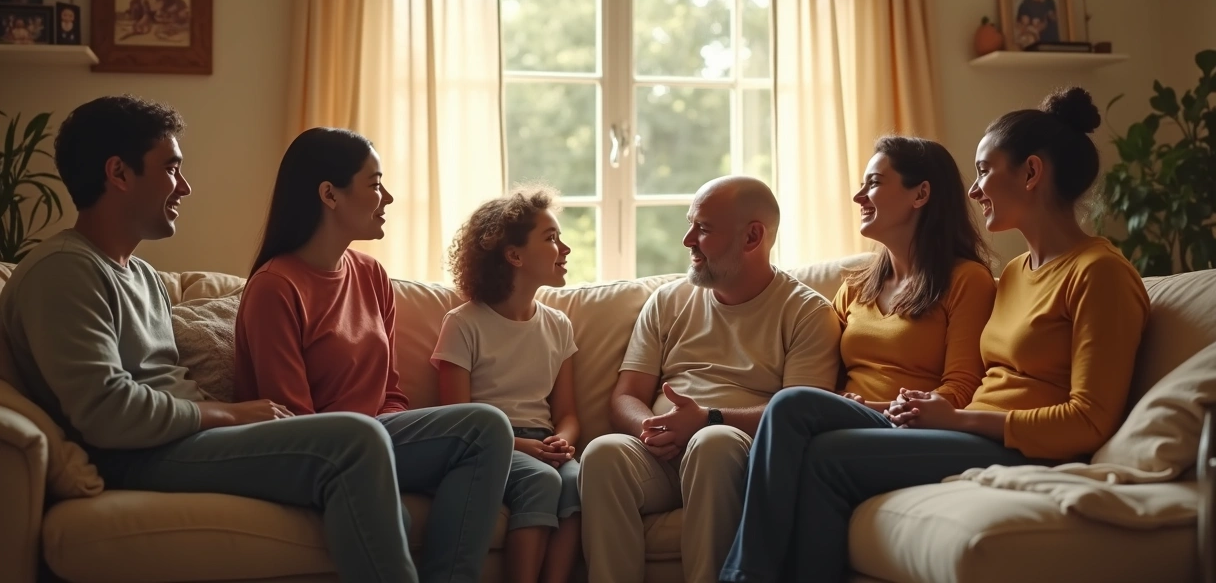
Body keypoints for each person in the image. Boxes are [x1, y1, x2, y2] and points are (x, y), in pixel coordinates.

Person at [720, 87, 1152, 583]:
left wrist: (962, 420)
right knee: (801, 419)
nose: (974, 190)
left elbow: (1090, 421)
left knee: (813, 438)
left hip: (1020, 447)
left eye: (986, 170)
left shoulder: (1100, 273)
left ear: (1032, 173)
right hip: (970, 430)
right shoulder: (1013, 273)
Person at [0, 95, 424, 582]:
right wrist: (230, 413)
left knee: (419, 443)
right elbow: (106, 413)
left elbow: (164, 384)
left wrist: (225, 421)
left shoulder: (139, 274)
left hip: (181, 442)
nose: (184, 187)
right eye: (171, 169)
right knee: (356, 437)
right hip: (140, 455)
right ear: (118, 173)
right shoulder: (64, 272)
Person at [232, 127, 514, 582]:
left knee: (487, 426)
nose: (388, 197)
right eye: (375, 183)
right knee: (463, 442)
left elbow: (391, 392)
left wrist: (388, 431)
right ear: (329, 194)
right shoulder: (275, 286)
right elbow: (291, 418)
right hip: (323, 450)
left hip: (378, 436)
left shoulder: (371, 274)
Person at [579, 175, 844, 583]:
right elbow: (626, 395)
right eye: (691, 224)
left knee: (712, 442)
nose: (687, 240)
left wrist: (707, 419)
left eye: (703, 228)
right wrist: (652, 427)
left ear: (752, 237)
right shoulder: (668, 299)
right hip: (661, 453)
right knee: (603, 453)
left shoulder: (807, 312)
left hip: (737, 451)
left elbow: (801, 414)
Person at [431, 186, 582, 583]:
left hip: (544, 443)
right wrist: (518, 445)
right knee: (541, 479)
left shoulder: (558, 325)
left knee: (578, 481)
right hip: (487, 445)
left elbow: (566, 413)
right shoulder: (463, 324)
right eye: (551, 239)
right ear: (513, 256)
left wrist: (562, 440)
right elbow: (456, 421)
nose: (564, 249)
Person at [836, 135, 996, 411]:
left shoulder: (967, 280)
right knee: (791, 403)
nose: (858, 196)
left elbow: (962, 390)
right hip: (842, 423)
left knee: (791, 405)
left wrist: (867, 409)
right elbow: (822, 380)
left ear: (921, 194)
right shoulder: (854, 287)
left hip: (910, 427)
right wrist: (836, 405)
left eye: (873, 183)